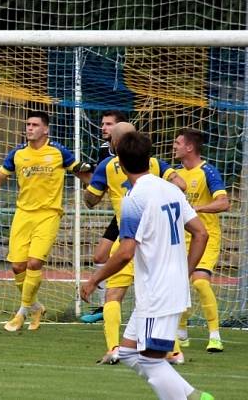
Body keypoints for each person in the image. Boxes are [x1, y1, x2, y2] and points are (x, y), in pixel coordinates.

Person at [81, 131, 214, 400]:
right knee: (129, 353)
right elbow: (201, 233)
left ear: (119, 160)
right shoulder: (170, 188)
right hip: (161, 290)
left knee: (152, 361)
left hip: (158, 292)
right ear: (149, 158)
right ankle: (195, 397)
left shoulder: (134, 199)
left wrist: (95, 279)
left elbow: (125, 252)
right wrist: (184, 272)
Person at [0, 110, 92, 332]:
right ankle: (35, 307)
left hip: (49, 214)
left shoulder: (58, 152)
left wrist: (95, 190)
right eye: (27, 124)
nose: (29, 128)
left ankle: (21, 313)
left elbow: (81, 173)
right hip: (23, 215)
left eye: (35, 125)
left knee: (34, 263)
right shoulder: (17, 154)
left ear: (46, 129)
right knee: (17, 265)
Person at [84, 122, 187, 364]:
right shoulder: (154, 163)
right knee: (154, 299)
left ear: (116, 145)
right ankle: (174, 350)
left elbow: (90, 200)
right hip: (156, 241)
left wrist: (89, 181)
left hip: (128, 238)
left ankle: (114, 349)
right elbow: (181, 184)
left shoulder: (107, 166)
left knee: (113, 295)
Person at [173, 128, 229, 353]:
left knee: (200, 281)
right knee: (178, 285)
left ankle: (215, 335)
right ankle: (181, 333)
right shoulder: (175, 175)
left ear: (189, 147)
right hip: (180, 240)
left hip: (206, 238)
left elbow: (224, 203)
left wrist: (196, 208)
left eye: (178, 143)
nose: (174, 146)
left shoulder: (208, 171)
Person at [81, 110, 129, 324]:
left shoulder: (133, 150)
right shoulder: (103, 151)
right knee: (100, 256)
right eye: (103, 124)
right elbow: (98, 182)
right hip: (120, 213)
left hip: (135, 212)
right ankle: (104, 306)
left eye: (109, 124)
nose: (104, 128)